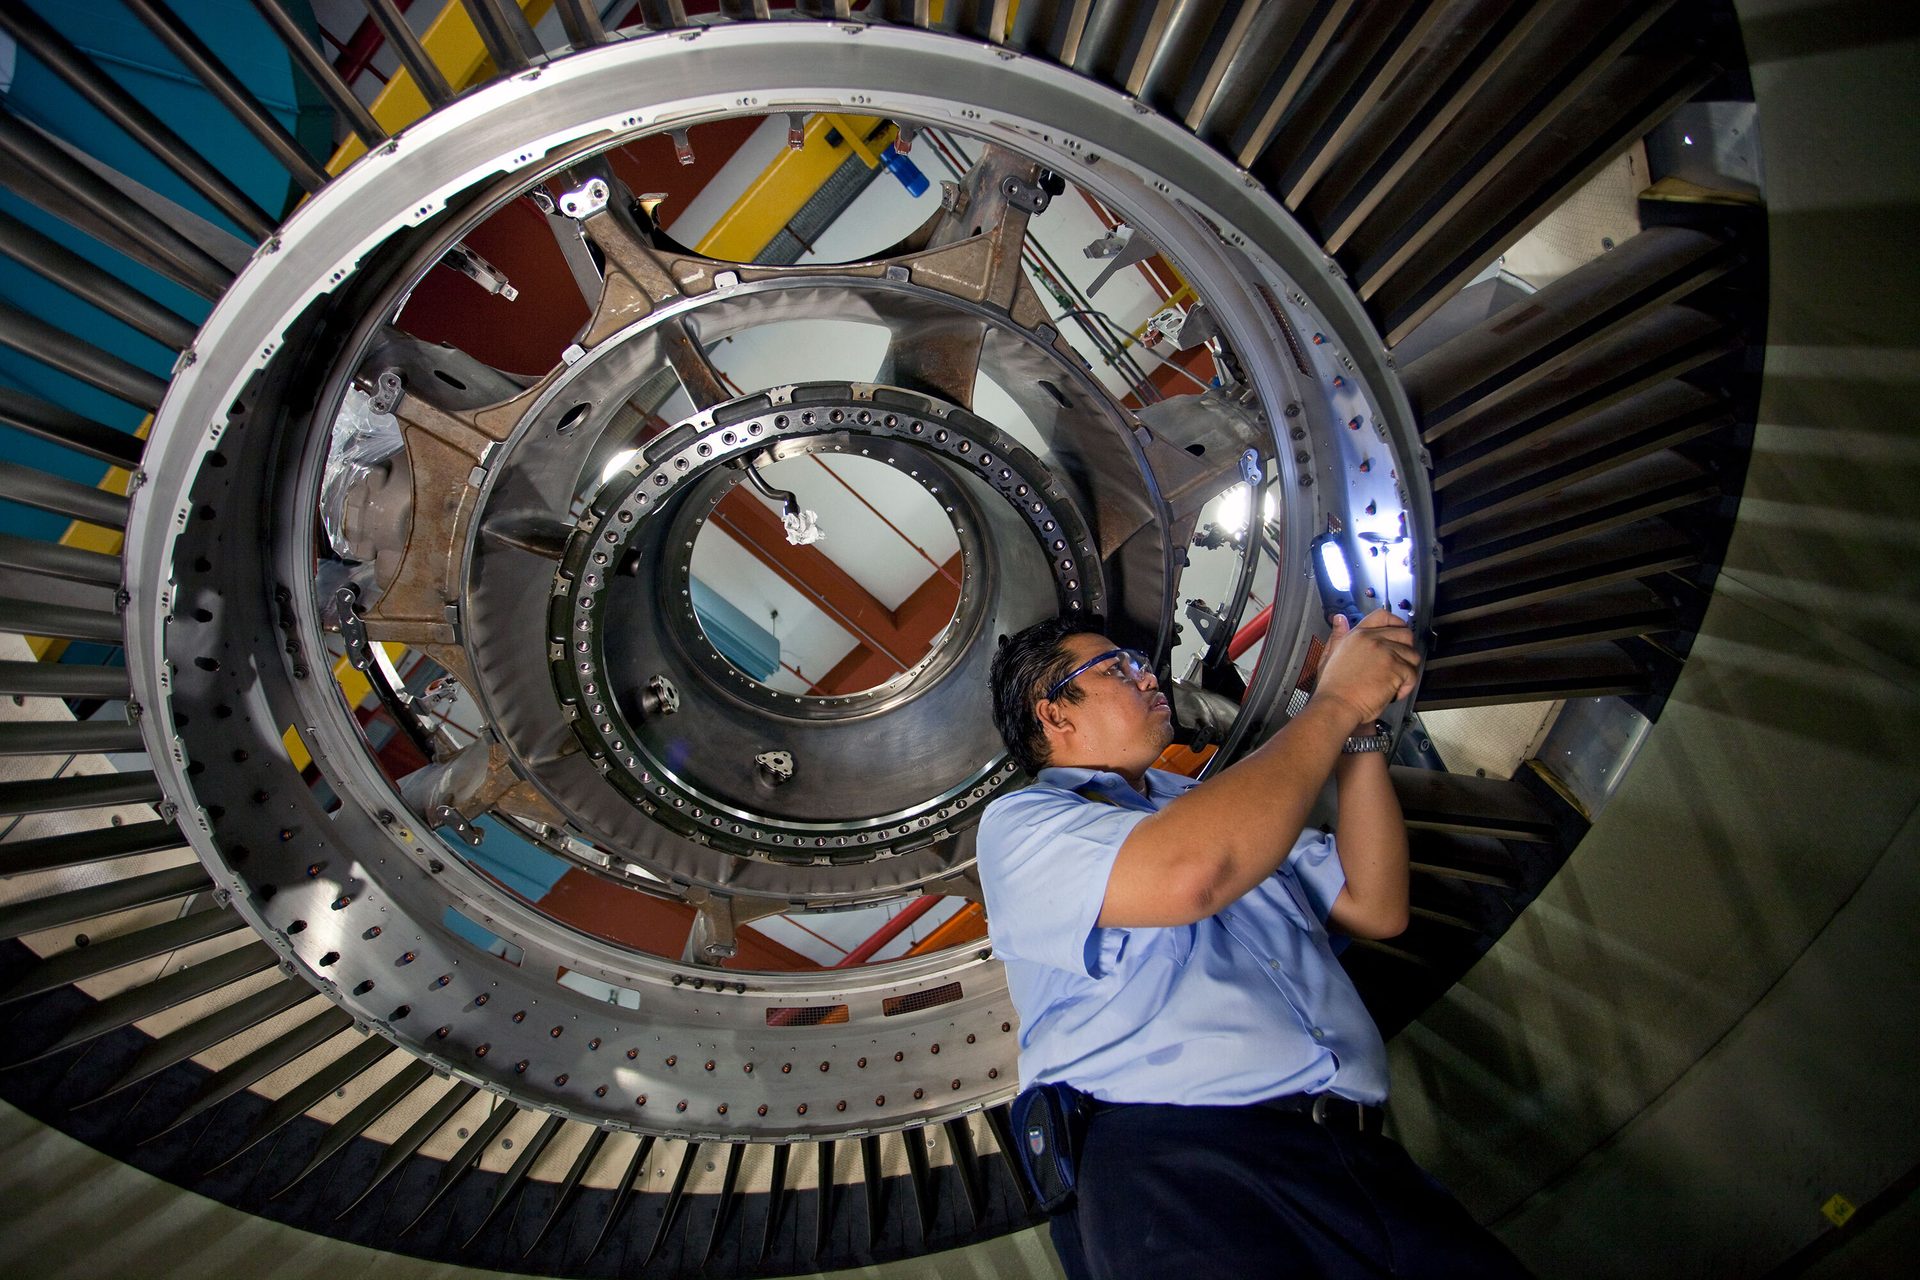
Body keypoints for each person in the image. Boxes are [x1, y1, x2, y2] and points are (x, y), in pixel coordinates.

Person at [977, 610, 1528, 1279]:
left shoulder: (1221, 810)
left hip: (1357, 1160)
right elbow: (1190, 874)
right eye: (1116, 668)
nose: (1148, 676)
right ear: (1056, 717)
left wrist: (1360, 736)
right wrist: (1334, 701)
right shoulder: (1023, 825)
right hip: (1180, 1173)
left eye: (1140, 662)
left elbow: (1374, 905)